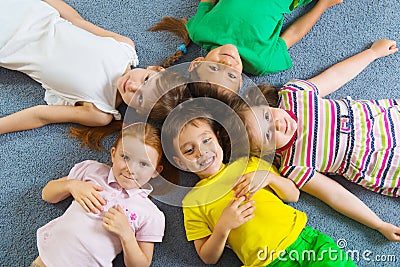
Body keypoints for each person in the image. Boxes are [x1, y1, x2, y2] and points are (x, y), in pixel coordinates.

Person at [233, 39, 400, 241]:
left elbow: (335, 76)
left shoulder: (294, 94)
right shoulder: (294, 166)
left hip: (387, 120)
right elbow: (335, 195)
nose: (276, 125)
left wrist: (372, 53)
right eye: (268, 135)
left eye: (267, 116)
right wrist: (378, 224)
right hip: (385, 164)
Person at [161, 103, 356, 266]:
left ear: (218, 140)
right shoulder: (192, 201)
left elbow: (293, 196)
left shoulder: (250, 163)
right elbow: (207, 257)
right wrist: (223, 227)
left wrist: (269, 177)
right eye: (189, 150)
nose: (201, 152)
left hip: (307, 242)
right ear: (180, 162)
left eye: (206, 140)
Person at [0, 0, 168, 137]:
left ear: (137, 111)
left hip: (8, 44)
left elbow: (41, 115)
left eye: (139, 98)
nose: (133, 86)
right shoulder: (125, 48)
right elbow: (76, 21)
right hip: (32, 11)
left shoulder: (99, 111)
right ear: (155, 68)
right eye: (146, 80)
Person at [30, 122, 165, 267]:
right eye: (125, 157)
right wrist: (72, 185)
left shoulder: (151, 215)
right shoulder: (92, 170)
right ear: (113, 154)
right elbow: (47, 194)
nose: (130, 169)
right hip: (48, 258)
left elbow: (140, 265)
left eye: (143, 164)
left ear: (156, 171)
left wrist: (127, 235)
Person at [148, 0, 343, 75]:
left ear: (198, 62)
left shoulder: (199, 31)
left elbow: (207, 1)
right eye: (232, 75)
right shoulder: (261, 62)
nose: (228, 63)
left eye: (216, 67)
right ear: (241, 81)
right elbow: (293, 33)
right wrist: (323, 5)